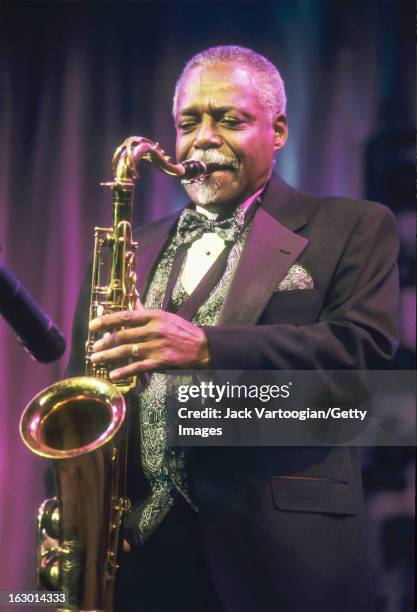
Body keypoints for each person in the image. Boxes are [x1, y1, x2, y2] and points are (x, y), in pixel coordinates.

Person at [66, 46, 399, 611]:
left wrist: (208, 347)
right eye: (188, 122)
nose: (203, 138)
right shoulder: (132, 247)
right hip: (138, 556)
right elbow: (82, 402)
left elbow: (363, 360)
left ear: (278, 131)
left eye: (230, 119)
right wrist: (73, 519)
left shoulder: (353, 226)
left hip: (281, 558)